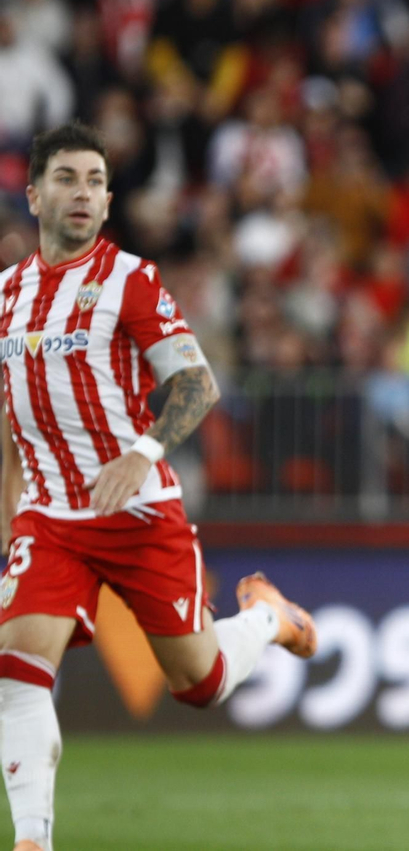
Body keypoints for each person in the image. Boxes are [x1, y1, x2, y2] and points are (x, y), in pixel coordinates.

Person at [0, 124, 317, 851]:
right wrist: (11, 519)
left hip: (139, 512)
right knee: (16, 667)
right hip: (49, 518)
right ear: (33, 192)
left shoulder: (129, 280)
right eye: (67, 179)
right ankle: (32, 839)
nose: (81, 193)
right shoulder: (7, 296)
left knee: (198, 684)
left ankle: (268, 618)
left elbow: (198, 385)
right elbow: (7, 418)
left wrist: (140, 455)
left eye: (94, 182)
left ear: (109, 202)